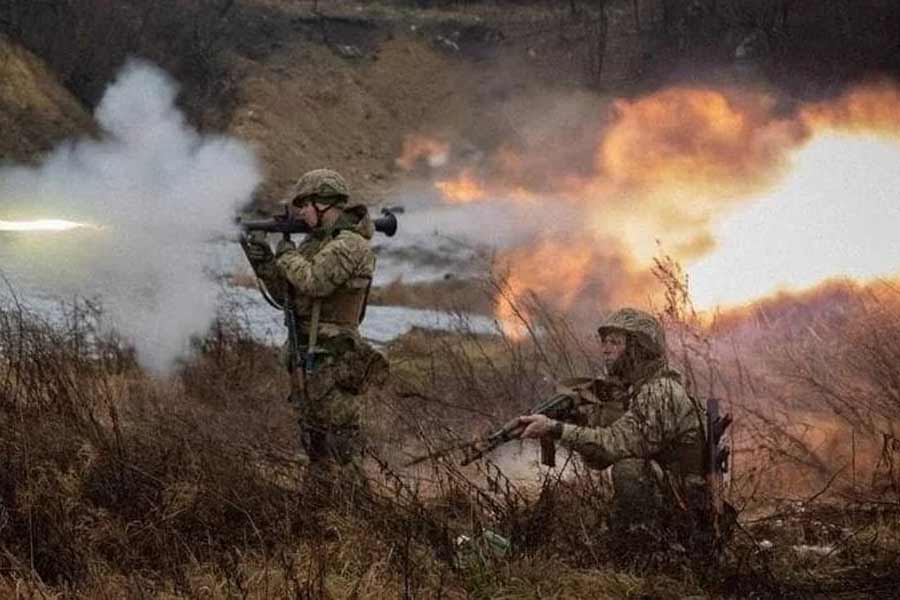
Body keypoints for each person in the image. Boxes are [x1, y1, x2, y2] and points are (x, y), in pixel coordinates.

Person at [516, 308, 717, 559]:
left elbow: (613, 445)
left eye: (615, 342)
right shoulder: (641, 390)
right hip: (676, 498)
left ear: (638, 348)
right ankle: (634, 546)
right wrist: (577, 421)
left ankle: (649, 554)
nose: (606, 349)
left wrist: (555, 429)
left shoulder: (661, 391)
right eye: (604, 341)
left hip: (687, 510)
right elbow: (598, 459)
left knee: (629, 468)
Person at [241, 168, 388, 500]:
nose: (301, 213)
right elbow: (288, 297)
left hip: (335, 359)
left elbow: (315, 281)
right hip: (308, 359)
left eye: (305, 205)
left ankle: (360, 517)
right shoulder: (314, 243)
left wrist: (285, 251)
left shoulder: (351, 245)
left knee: (342, 448)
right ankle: (318, 514)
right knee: (315, 447)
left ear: (325, 203)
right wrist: (263, 260)